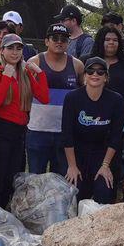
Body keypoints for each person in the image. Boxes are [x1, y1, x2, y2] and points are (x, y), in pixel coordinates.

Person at [0, 34, 47, 205]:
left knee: (12, 177)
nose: (15, 52)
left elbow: (44, 97)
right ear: (2, 51)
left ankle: (5, 215)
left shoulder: (25, 72)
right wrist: (6, 76)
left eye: (18, 48)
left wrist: (40, 73)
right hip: (1, 129)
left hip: (19, 132)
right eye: (10, 48)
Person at [60, 57, 124, 204]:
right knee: (75, 196)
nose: (95, 74)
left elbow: (116, 136)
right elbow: (67, 134)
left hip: (103, 155)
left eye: (100, 72)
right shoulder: (72, 98)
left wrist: (105, 166)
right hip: (77, 155)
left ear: (106, 77)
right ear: (84, 75)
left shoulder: (116, 100)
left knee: (104, 191)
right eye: (90, 71)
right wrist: (72, 166)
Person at [27, 24, 79, 175]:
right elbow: (24, 93)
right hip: (38, 131)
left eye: (63, 39)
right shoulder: (34, 62)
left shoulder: (77, 65)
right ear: (46, 41)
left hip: (64, 133)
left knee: (61, 181)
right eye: (55, 38)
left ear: (68, 43)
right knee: (36, 179)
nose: (59, 42)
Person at [94, 25, 124, 101]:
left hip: (123, 111)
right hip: (93, 111)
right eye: (107, 39)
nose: (111, 42)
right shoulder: (88, 61)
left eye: (115, 40)